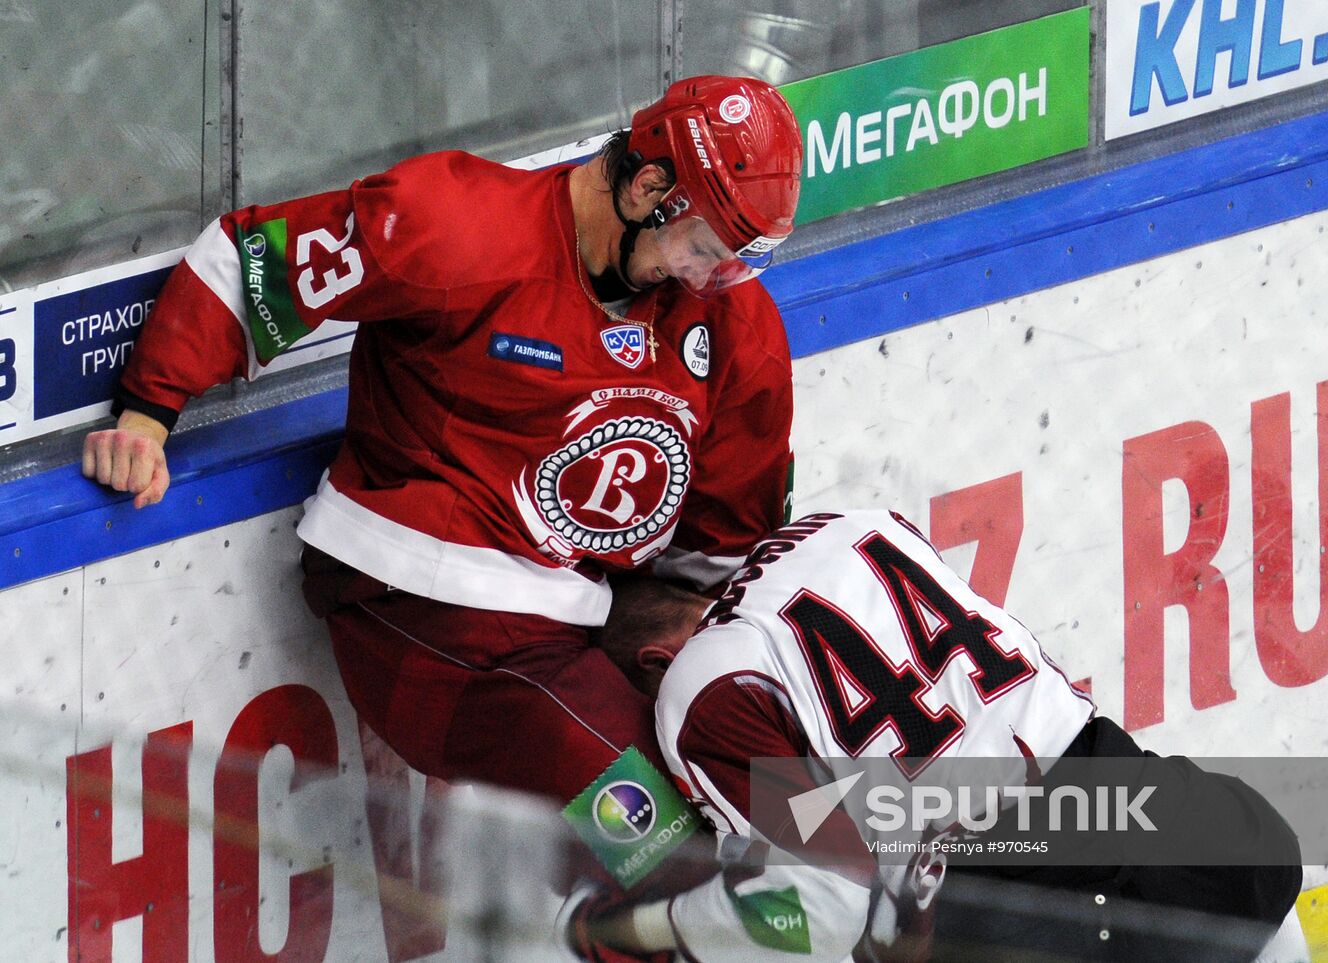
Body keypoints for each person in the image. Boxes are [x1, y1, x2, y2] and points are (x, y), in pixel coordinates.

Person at [79, 75, 803, 806]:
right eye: (708, 247)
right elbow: (252, 265)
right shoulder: (460, 225)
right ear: (648, 188)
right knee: (671, 821)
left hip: (575, 622)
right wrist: (147, 410)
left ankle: (864, 876)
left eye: (742, 259)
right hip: (421, 615)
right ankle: (678, 905)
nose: (717, 278)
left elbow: (721, 549)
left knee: (760, 760)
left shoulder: (731, 326)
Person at [578, 509, 1308, 962]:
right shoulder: (850, 525)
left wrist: (628, 928)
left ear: (655, 661)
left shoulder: (695, 683)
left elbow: (818, 908)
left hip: (1040, 909)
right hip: (1199, 831)